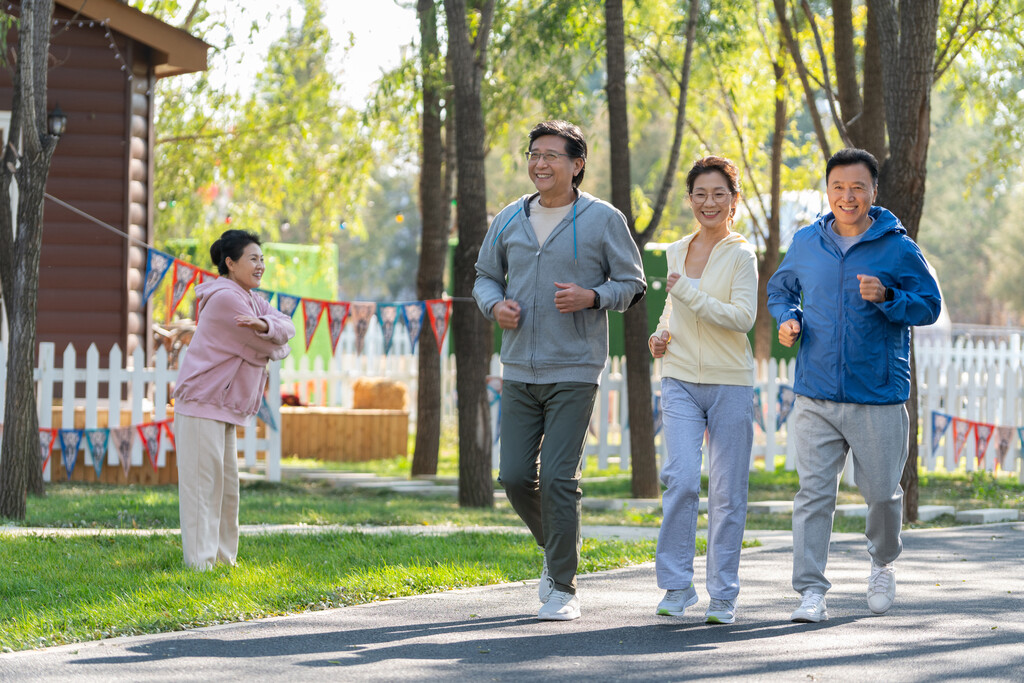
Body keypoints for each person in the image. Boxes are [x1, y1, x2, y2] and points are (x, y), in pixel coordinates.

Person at [474, 120, 646, 621]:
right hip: (519, 366)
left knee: (557, 478)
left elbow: (632, 283)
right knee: (511, 477)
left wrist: (593, 296)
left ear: (577, 165)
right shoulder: (509, 218)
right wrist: (494, 307)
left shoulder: (602, 219)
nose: (540, 163)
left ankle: (564, 587)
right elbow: (486, 276)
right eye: (534, 154)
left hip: (575, 365)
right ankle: (558, 550)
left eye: (552, 155)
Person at [766, 148, 941, 622]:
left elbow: (930, 305)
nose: (848, 196)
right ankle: (810, 591)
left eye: (857, 187)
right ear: (828, 191)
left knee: (883, 494)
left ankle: (882, 562)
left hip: (877, 396)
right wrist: (788, 319)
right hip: (815, 393)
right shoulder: (806, 242)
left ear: (873, 192)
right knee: (812, 495)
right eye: (839, 187)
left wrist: (888, 296)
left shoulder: (898, 247)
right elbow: (780, 290)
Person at [648, 156, 757, 625]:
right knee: (681, 480)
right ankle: (677, 585)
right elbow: (674, 311)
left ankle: (724, 594)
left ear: (733, 201)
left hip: (729, 381)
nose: (708, 202)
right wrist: (661, 334)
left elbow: (742, 319)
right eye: (700, 194)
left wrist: (688, 295)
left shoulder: (742, 255)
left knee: (729, 492)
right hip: (678, 380)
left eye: (718, 194)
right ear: (690, 199)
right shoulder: (675, 250)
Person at [172, 230, 295, 570]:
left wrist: (267, 325)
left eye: (262, 259)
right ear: (230, 262)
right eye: (253, 259)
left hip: (223, 406)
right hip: (201, 403)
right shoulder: (227, 299)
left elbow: (288, 326)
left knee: (227, 490)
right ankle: (199, 565)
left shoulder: (251, 299)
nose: (260, 266)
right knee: (203, 488)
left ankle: (224, 562)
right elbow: (269, 347)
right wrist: (272, 338)